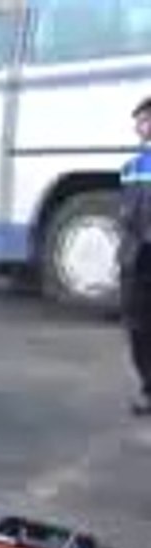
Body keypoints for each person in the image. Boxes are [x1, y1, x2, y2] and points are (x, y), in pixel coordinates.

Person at [121, 96, 151, 417]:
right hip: (137, 258)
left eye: (144, 120)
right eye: (139, 121)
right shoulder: (131, 167)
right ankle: (148, 388)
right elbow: (126, 214)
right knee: (138, 326)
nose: (139, 127)